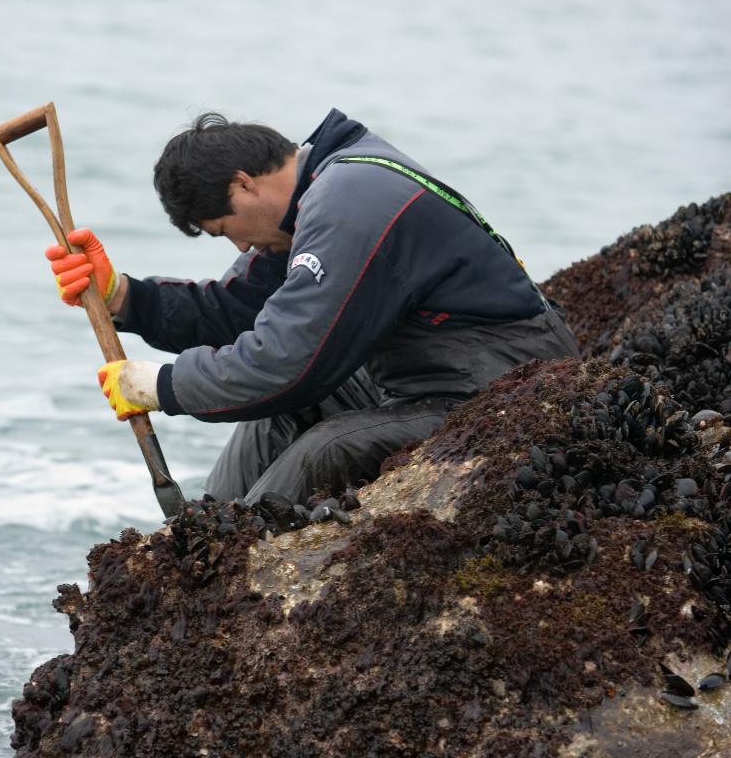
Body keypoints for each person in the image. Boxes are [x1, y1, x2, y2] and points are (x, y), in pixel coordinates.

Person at [46, 107, 579, 506]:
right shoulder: (319, 192)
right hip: (428, 376)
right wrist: (124, 297)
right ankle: (206, 533)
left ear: (243, 184)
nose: (239, 248)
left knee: (326, 447)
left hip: (502, 386)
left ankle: (231, 577)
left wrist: (161, 387)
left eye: (224, 230)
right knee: (277, 414)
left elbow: (285, 363)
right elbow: (235, 311)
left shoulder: (349, 201)